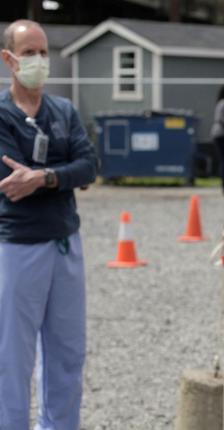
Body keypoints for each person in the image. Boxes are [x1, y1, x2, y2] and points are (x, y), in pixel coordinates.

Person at [0, 20, 98, 429]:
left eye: (43, 52)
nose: (39, 60)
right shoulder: (2, 116)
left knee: (68, 352)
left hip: (64, 245)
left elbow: (89, 166)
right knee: (13, 358)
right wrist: (63, 174)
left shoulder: (64, 111)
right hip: (18, 247)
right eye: (29, 53)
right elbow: (9, 184)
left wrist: (43, 177)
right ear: (9, 60)